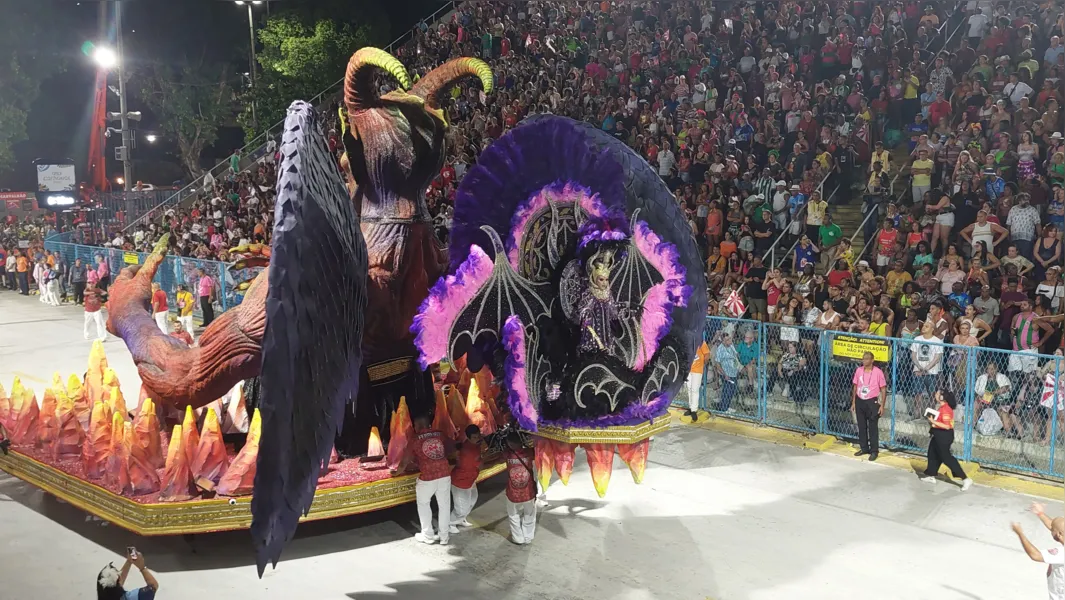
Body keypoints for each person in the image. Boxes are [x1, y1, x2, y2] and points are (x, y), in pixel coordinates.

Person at [409, 415, 451, 545]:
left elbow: (405, 460)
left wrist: (395, 472)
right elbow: (451, 446)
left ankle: (428, 535)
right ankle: (444, 537)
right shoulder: (440, 434)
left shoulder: (414, 439)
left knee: (424, 504)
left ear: (417, 426)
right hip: (444, 473)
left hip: (427, 477)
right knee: (444, 505)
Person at [919, 390, 972, 490]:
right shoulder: (941, 407)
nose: (935, 394)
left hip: (944, 436)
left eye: (938, 394)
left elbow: (947, 426)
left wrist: (933, 421)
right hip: (938, 434)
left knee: (946, 458)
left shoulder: (946, 409)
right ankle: (931, 474)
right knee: (932, 453)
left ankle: (965, 479)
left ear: (942, 397)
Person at [1011, 503, 1064, 600]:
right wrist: (1040, 513)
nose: (1051, 530)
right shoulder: (1061, 533)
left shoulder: (1061, 554)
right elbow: (1058, 528)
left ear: (1059, 534)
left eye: (1052, 530)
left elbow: (1035, 555)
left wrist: (1020, 533)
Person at [851, 351, 887, 462]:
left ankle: (874, 451)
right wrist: (853, 402)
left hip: (872, 401)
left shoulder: (878, 372)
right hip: (860, 400)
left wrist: (882, 405)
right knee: (861, 426)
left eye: (867, 359)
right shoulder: (859, 370)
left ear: (872, 360)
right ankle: (864, 448)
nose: (864, 361)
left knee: (872, 427)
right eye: (863, 358)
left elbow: (883, 389)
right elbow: (855, 386)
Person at [503, 434, 537, 545]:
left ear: (509, 444)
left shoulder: (507, 454)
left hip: (513, 493)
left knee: (513, 515)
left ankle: (518, 538)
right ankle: (528, 536)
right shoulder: (529, 452)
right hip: (528, 492)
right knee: (529, 514)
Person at [449, 424, 482, 531]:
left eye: (478, 436)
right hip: (460, 481)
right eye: (474, 437)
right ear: (468, 437)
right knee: (461, 507)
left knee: (473, 499)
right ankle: (451, 523)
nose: (477, 439)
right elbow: (478, 464)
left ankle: (461, 519)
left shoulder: (474, 445)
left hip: (470, 479)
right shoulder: (466, 451)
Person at [685, 340, 710, 421]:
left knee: (694, 389)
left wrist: (704, 363)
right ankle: (691, 407)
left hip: (697, 370)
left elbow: (707, 353)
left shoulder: (701, 342)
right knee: (689, 388)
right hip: (688, 369)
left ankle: (694, 410)